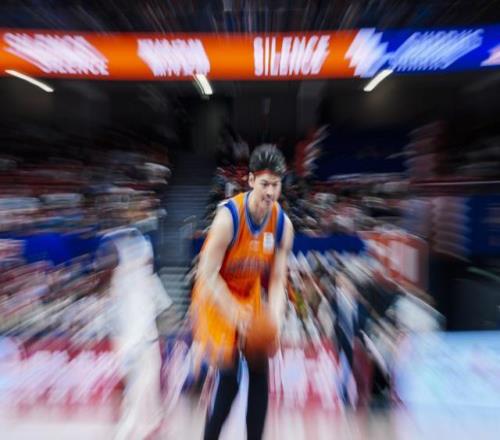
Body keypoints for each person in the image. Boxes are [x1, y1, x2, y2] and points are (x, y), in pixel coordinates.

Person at [191, 144, 294, 440]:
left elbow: (277, 279)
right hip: (215, 295)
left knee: (261, 373)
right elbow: (206, 274)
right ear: (250, 180)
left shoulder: (282, 225)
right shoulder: (228, 219)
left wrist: (275, 319)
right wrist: (234, 313)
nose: (270, 192)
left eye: (276, 185)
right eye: (265, 184)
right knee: (230, 380)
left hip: (248, 294)